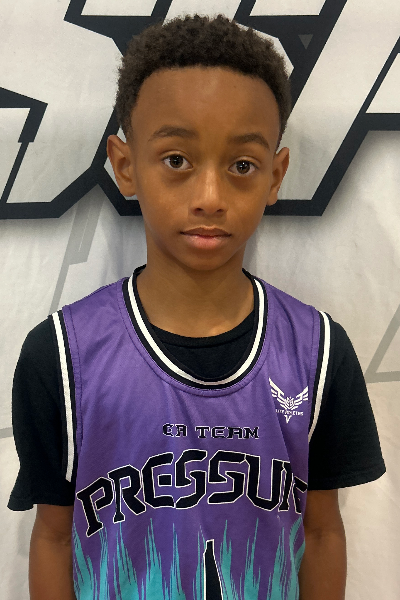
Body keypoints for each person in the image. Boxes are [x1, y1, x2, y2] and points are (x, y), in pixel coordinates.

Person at [8, 13, 385, 600]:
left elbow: (320, 530)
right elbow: (55, 537)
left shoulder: (318, 353)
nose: (210, 197)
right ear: (125, 166)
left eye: (241, 166)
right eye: (177, 160)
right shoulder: (60, 356)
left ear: (276, 175)